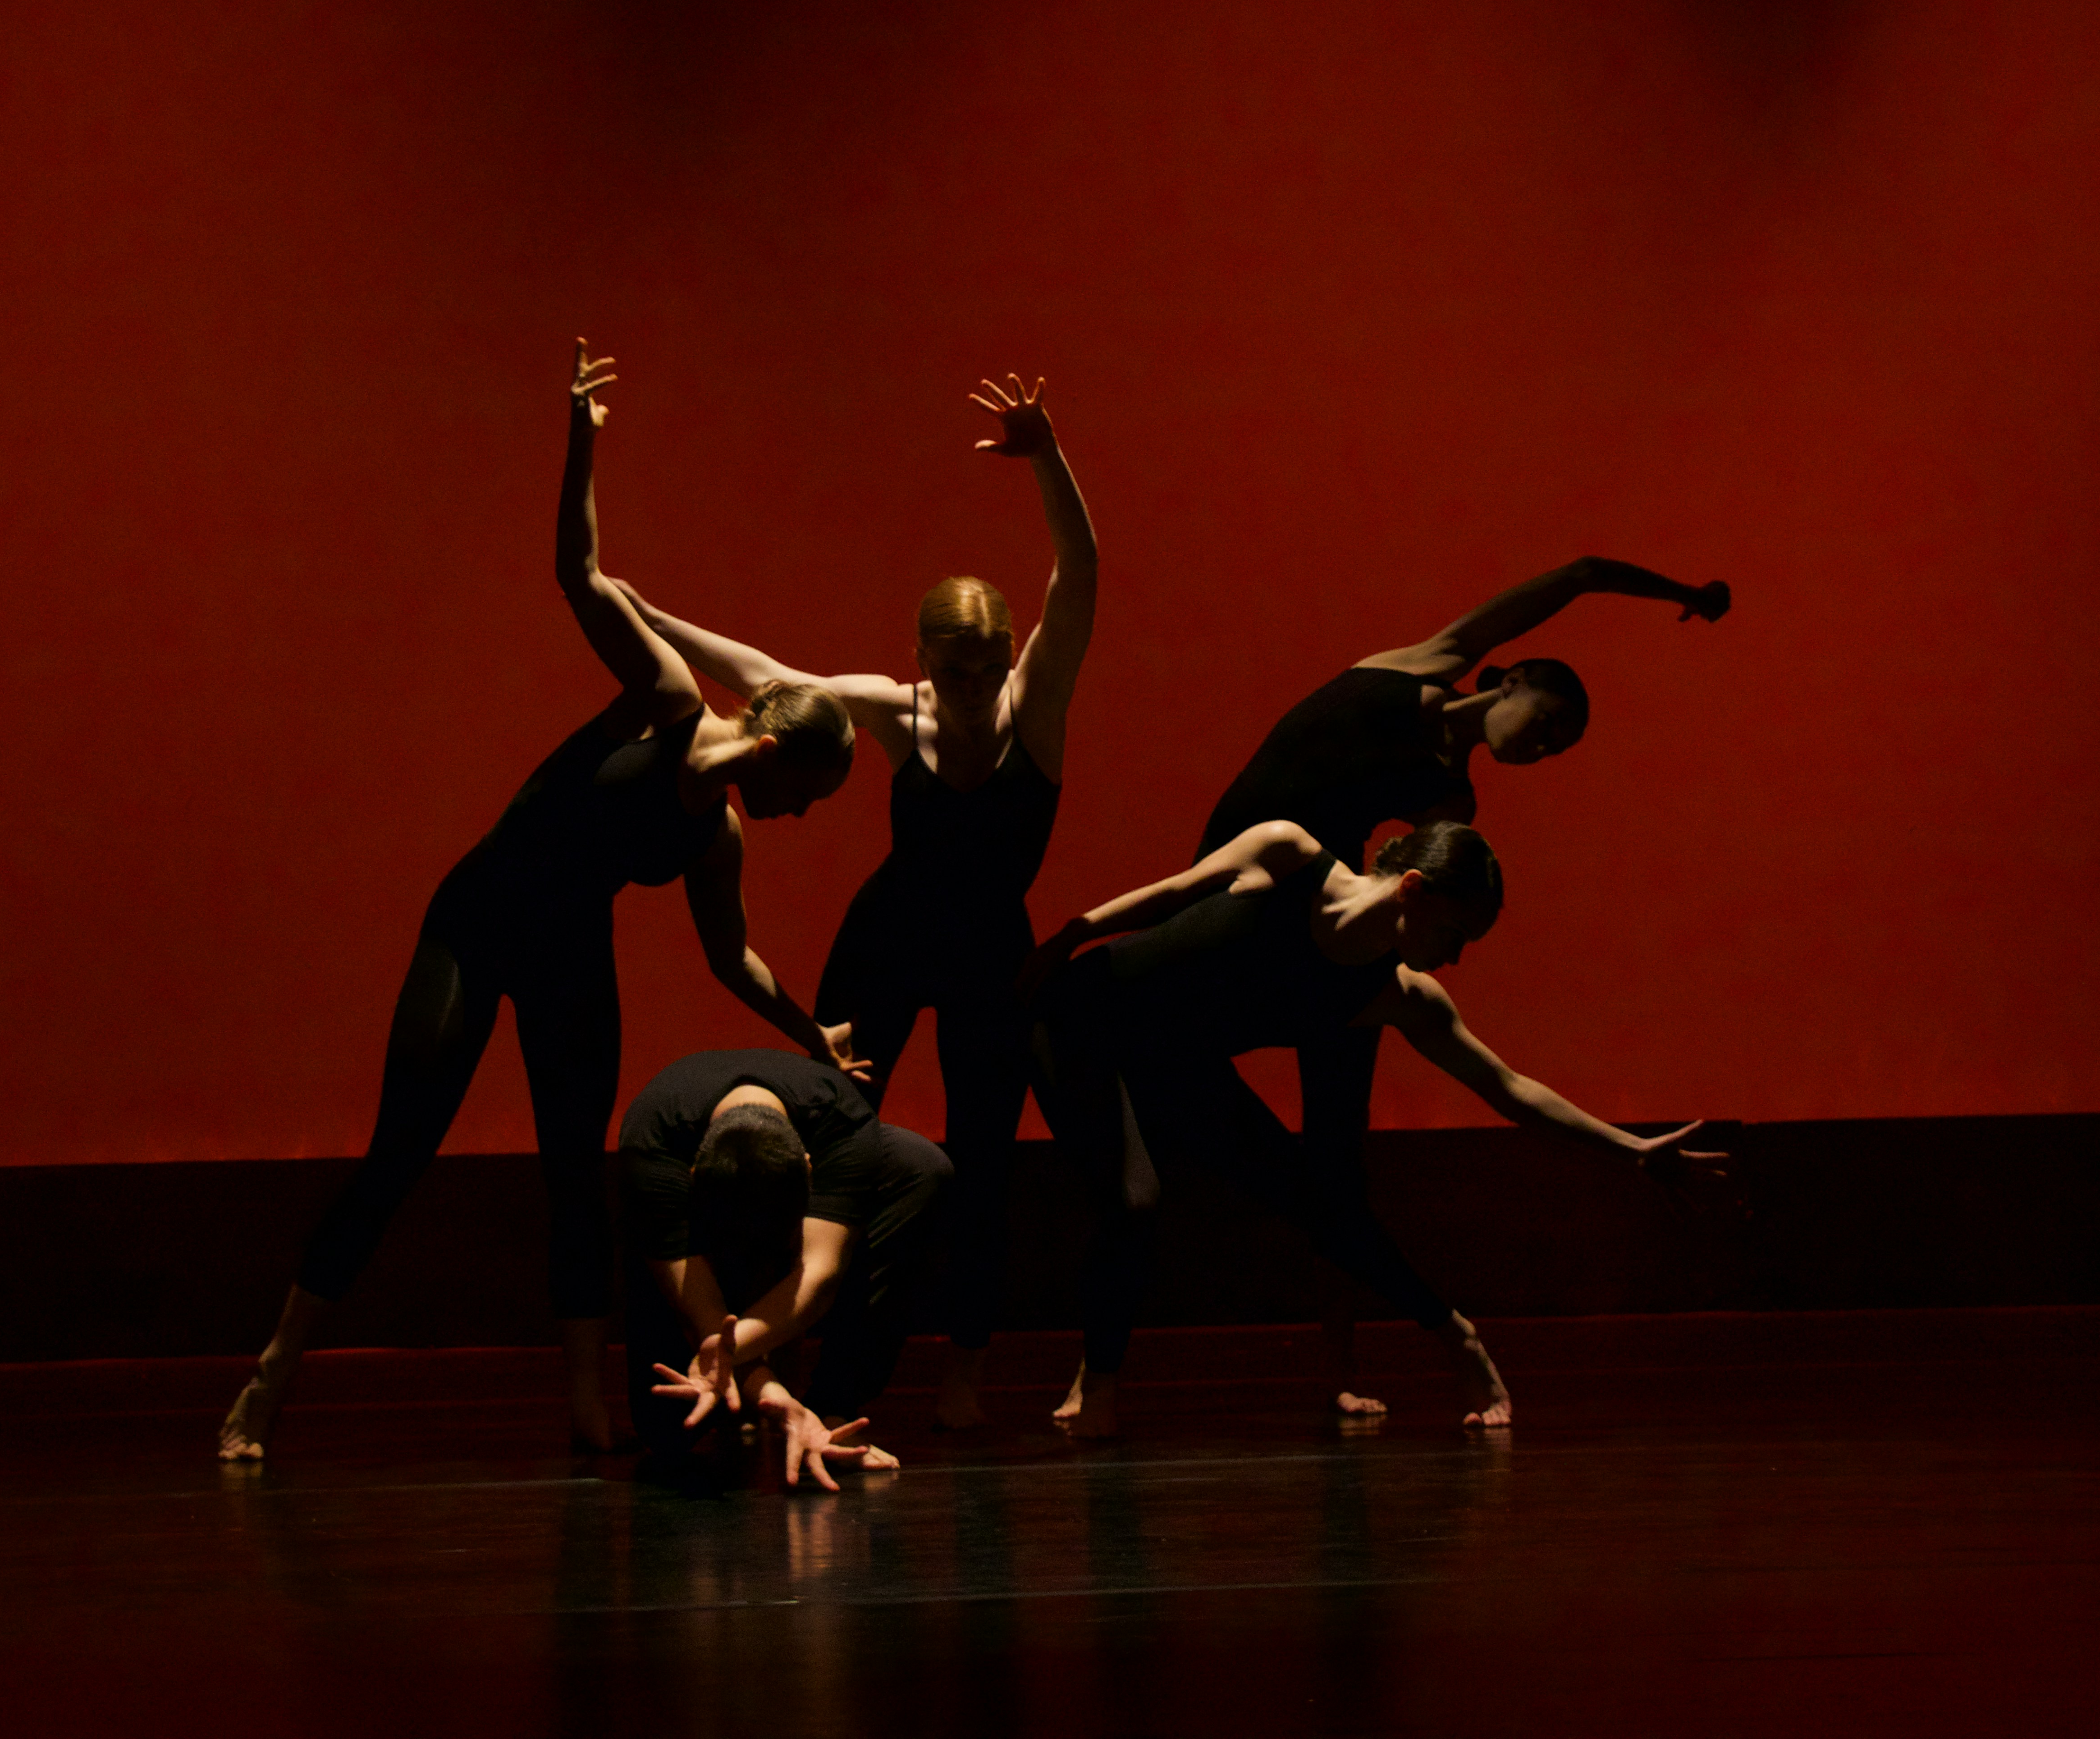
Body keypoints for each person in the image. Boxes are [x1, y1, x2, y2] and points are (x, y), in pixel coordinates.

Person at [218, 344, 864, 1463]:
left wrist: (810, 1030)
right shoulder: (662, 702)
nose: (800, 818)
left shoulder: (716, 831)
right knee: (400, 1152)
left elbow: (731, 958)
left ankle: (583, 1404)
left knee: (578, 1173)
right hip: (477, 921)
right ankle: (268, 1382)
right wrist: (581, 442)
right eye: (805, 795)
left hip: (570, 947)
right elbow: (580, 573)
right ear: (768, 745)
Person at [622, 373, 1098, 1430]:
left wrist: (1047, 458)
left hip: (990, 956)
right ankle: (780, 1346)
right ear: (921, 660)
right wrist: (650, 617)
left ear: (1010, 655)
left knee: (980, 1161)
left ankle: (963, 1368)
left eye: (990, 667)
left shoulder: (1039, 711)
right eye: (955, 670)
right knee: (827, 1128)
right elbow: (767, 675)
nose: (975, 688)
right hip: (888, 938)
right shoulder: (899, 712)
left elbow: (1081, 577)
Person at [1199, 556, 1729, 1416]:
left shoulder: (1452, 805)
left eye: (1557, 747)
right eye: (1548, 720)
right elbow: (1582, 573)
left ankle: (1342, 1366)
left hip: (1317, 923)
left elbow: (1412, 893)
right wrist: (1684, 595)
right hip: (1228, 882)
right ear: (1511, 678)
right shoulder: (1427, 664)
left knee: (1338, 1152)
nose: (1544, 745)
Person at [1021, 817, 1727, 1438]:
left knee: (1316, 1201)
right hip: (1078, 1019)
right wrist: (1065, 939)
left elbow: (1508, 1088)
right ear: (1413, 889)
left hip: (1174, 1061)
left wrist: (1633, 1151)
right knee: (1134, 1201)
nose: (1455, 957)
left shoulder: (1399, 996)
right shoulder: (1288, 854)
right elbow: (1173, 893)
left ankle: (1457, 1336)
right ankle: (1099, 1393)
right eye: (1455, 934)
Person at [620, 1048, 950, 1490]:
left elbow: (818, 1278)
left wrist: (738, 1364)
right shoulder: (653, 1145)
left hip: (801, 1191)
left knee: (921, 1167)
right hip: (697, 1239)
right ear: (694, 1176)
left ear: (810, 1171)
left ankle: (836, 1404)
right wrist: (775, 1395)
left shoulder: (842, 1122)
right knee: (669, 1430)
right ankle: (736, 1405)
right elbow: (700, 1312)